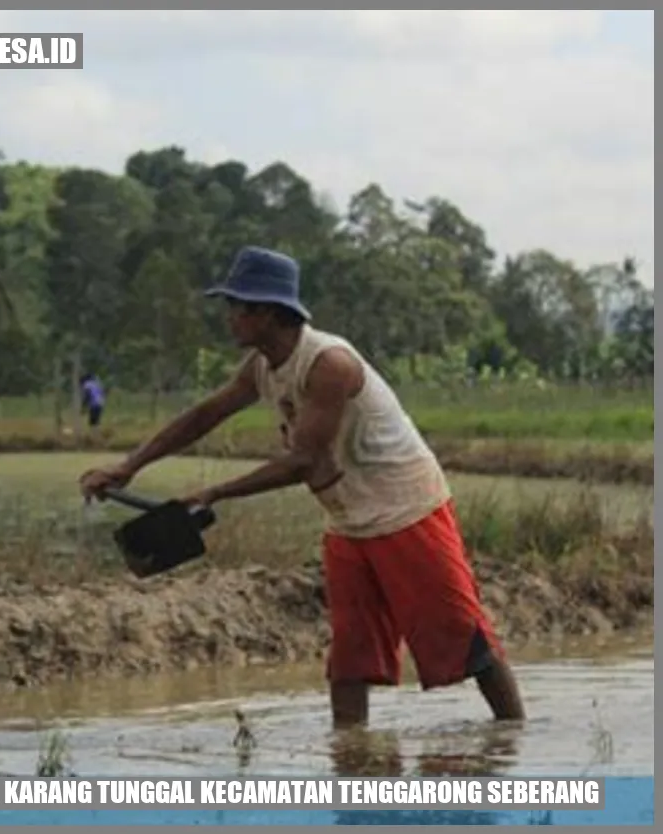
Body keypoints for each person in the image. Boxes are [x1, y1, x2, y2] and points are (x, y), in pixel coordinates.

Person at [78, 245, 526, 729]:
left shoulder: (329, 364)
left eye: (237, 307)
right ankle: (350, 756)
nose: (229, 318)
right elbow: (205, 414)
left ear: (267, 312)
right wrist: (130, 466)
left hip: (407, 509)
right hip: (348, 518)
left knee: (462, 635)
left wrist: (213, 493)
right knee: (351, 653)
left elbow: (302, 461)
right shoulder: (262, 365)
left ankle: (513, 737)